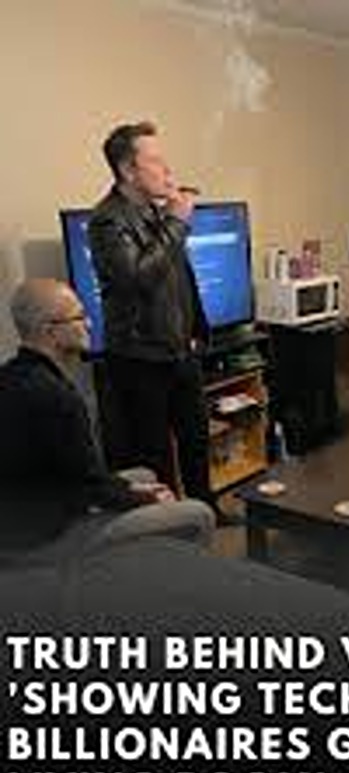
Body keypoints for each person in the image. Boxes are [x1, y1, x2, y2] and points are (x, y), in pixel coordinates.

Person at [0, 279, 215, 558]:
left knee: (146, 474)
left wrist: (134, 488)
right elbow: (89, 487)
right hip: (50, 533)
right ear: (50, 331)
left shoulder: (13, 375)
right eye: (79, 317)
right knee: (199, 514)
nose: (89, 325)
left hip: (29, 511)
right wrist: (142, 497)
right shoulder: (55, 398)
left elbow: (79, 473)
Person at [87, 120, 212, 504]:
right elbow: (137, 279)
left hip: (179, 350)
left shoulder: (155, 213)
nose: (167, 170)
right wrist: (176, 221)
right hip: (140, 357)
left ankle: (205, 509)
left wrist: (197, 330)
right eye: (155, 161)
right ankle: (171, 526)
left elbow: (179, 277)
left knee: (196, 438)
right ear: (128, 170)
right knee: (154, 453)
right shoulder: (107, 220)